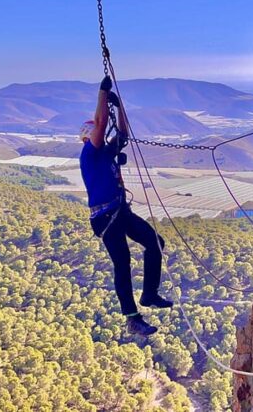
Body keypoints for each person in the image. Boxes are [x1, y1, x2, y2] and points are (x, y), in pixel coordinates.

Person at [79, 75, 173, 336]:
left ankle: (150, 294)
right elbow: (100, 123)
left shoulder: (106, 153)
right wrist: (102, 92)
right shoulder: (89, 154)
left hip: (119, 210)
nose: (101, 134)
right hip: (105, 216)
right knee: (123, 262)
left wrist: (119, 108)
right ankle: (132, 318)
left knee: (155, 242)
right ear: (88, 136)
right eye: (96, 132)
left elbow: (122, 133)